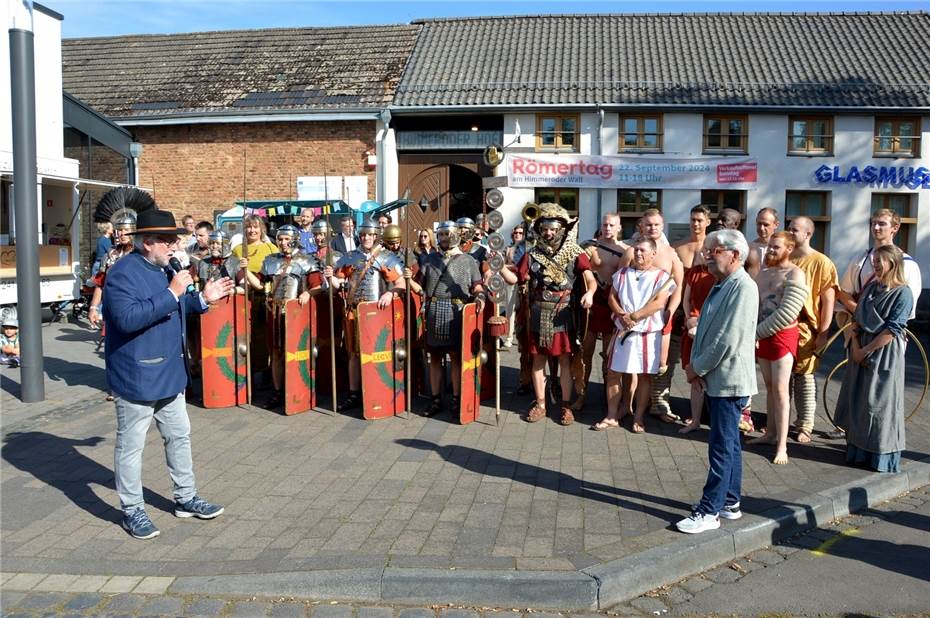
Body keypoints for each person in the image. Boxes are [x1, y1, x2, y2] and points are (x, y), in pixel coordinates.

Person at [102, 209, 234, 540]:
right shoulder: (122, 274)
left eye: (175, 239)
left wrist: (202, 299)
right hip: (138, 376)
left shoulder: (167, 269)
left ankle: (185, 498)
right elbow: (127, 319)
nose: (175, 246)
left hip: (171, 373)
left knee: (179, 436)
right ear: (147, 243)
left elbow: (175, 307)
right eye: (168, 240)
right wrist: (172, 292)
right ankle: (132, 510)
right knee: (131, 446)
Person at [678, 229, 758, 534]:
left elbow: (727, 340)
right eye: (706, 251)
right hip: (718, 376)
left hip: (729, 379)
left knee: (721, 447)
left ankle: (709, 511)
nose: (706, 256)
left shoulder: (742, 287)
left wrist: (696, 368)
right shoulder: (723, 283)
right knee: (730, 443)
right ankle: (730, 502)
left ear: (734, 255)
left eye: (714, 251)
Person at [834, 245, 913, 473]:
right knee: (859, 400)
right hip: (861, 348)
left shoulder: (903, 293)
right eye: (875, 260)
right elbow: (857, 319)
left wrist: (866, 350)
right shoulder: (871, 288)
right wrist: (856, 348)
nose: (876, 264)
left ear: (894, 263)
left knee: (879, 403)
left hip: (884, 352)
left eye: (881, 261)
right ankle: (858, 452)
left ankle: (879, 456)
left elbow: (893, 329)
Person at [517, 203, 596, 426]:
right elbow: (516, 278)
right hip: (538, 311)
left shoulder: (575, 253)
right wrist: (497, 266)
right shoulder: (532, 254)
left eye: (552, 228)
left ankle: (566, 405)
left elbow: (590, 280)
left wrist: (590, 293)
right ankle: (541, 403)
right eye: (544, 228)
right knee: (538, 359)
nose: (548, 233)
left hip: (564, 313)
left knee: (564, 360)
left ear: (561, 229)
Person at [324, 218, 406, 412]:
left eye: (369, 235)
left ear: (376, 235)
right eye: (363, 235)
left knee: (376, 353)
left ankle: (376, 390)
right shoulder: (350, 257)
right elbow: (339, 284)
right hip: (353, 312)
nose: (366, 238)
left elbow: (401, 284)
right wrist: (330, 277)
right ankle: (354, 393)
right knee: (353, 353)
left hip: (376, 313)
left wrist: (389, 293)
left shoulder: (386, 257)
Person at [598, 238, 674, 433]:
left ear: (653, 254)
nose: (638, 254)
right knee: (614, 373)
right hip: (622, 330)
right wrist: (622, 315)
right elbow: (612, 297)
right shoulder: (622, 273)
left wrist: (634, 316)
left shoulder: (661, 277)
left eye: (642, 251)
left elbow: (658, 303)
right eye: (636, 250)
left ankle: (638, 417)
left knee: (644, 376)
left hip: (646, 334)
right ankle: (612, 415)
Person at [241, 224, 322, 406]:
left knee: (296, 351)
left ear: (294, 239)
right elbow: (260, 285)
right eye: (280, 239)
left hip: (296, 315)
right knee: (276, 352)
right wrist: (245, 270)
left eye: (286, 239)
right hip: (275, 313)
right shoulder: (271, 260)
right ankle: (278, 391)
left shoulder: (306, 260)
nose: (283, 243)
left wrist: (308, 293)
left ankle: (299, 388)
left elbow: (318, 285)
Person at [415, 220, 486, 415]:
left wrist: (480, 296)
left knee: (455, 357)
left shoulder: (468, 260)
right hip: (434, 309)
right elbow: (419, 286)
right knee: (435, 357)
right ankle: (435, 399)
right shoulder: (430, 259)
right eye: (442, 234)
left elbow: (477, 285)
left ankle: (456, 398)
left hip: (457, 312)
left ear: (455, 235)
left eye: (447, 234)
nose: (444, 238)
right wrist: (406, 279)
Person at [749, 232, 808, 464]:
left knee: (782, 390)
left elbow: (788, 312)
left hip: (783, 336)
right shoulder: (763, 273)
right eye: (770, 247)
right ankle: (770, 433)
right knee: (770, 387)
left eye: (776, 247)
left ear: (789, 248)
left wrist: (757, 332)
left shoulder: (795, 273)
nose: (770, 251)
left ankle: (782, 445)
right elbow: (754, 304)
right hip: (763, 337)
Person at [621, 209, 683, 424]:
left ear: (662, 225)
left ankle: (655, 404)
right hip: (632, 317)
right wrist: (624, 314)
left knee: (658, 363)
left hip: (659, 316)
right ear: (641, 226)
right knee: (631, 364)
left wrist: (671, 311)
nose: (653, 228)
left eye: (656, 224)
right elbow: (619, 283)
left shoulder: (671, 253)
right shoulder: (633, 251)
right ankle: (627, 405)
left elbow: (679, 286)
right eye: (648, 225)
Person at [788, 216, 838, 443]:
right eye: (789, 229)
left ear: (808, 234)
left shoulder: (822, 262)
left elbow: (828, 300)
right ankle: (780, 420)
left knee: (804, 376)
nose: (790, 233)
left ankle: (805, 424)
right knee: (783, 377)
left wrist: (824, 333)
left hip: (807, 329)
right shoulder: (784, 257)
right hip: (783, 327)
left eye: (795, 230)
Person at [576, 213, 628, 410]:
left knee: (610, 356)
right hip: (591, 303)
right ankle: (581, 396)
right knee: (584, 354)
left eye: (611, 225)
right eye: (605, 224)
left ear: (619, 227)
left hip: (611, 304)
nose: (607, 228)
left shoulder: (626, 251)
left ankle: (610, 401)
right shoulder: (589, 247)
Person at [677, 238, 717, 434]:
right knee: (694, 376)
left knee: (713, 376)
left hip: (713, 328)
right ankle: (695, 420)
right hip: (693, 327)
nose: (706, 254)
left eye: (710, 251)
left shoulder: (721, 275)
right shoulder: (694, 273)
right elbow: (686, 299)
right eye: (704, 251)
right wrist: (688, 318)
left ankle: (714, 419)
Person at [748, 208, 779, 278]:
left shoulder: (783, 248)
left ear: (776, 225)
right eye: (759, 224)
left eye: (766, 225)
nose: (761, 228)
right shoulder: (749, 247)